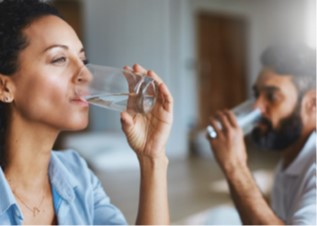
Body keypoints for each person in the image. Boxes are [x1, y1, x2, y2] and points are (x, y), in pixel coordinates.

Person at [0, 0, 173, 224]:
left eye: (83, 60)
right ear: (5, 88)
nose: (87, 76)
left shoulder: (77, 173)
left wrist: (152, 158)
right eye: (59, 59)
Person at [207, 43, 316, 225]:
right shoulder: (290, 158)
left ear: (312, 103)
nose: (256, 107)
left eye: (272, 96)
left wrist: (235, 167)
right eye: (256, 94)